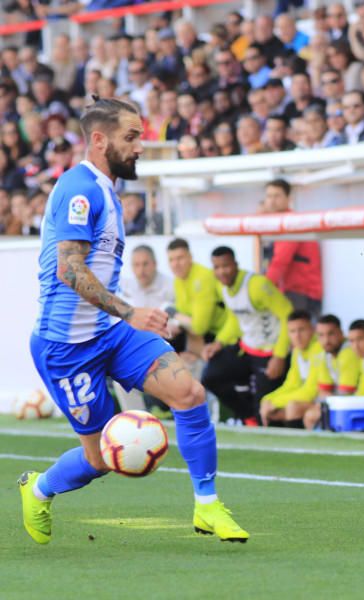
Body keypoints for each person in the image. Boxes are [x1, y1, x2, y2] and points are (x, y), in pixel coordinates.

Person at [21, 97, 247, 545]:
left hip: (110, 332)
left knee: (188, 391)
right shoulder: (77, 189)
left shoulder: (109, 190)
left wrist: (127, 319)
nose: (141, 145)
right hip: (65, 346)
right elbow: (69, 270)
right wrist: (132, 311)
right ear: (99, 140)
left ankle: (207, 506)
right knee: (102, 458)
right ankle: (39, 488)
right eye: (131, 136)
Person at [201, 246, 293, 425]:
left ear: (236, 264)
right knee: (210, 376)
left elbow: (287, 313)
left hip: (270, 353)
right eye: (217, 267)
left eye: (225, 266)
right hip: (247, 349)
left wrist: (280, 355)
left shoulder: (257, 285)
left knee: (265, 413)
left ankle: (256, 418)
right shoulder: (223, 287)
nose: (222, 272)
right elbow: (236, 319)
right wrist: (218, 343)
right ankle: (246, 416)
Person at [116, 245, 176, 412]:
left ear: (155, 264)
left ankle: (180, 414)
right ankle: (136, 420)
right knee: (120, 377)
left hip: (169, 347)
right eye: (136, 265)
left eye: (145, 264)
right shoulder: (125, 287)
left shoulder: (170, 287)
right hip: (139, 350)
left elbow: (178, 324)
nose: (141, 270)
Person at [260, 179, 324, 317]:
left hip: (300, 293)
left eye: (277, 196)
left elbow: (280, 261)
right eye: (269, 196)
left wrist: (262, 289)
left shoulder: (291, 223)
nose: (272, 201)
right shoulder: (279, 222)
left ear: (289, 199)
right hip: (295, 292)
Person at [295, 314, 363, 429]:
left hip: (354, 404)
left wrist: (323, 404)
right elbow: (323, 390)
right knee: (300, 409)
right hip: (338, 402)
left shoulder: (348, 352)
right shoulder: (325, 354)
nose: (326, 340)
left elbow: (346, 394)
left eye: (331, 334)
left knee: (311, 415)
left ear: (341, 333)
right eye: (321, 335)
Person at [259, 310, 323, 427]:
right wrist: (268, 400)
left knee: (292, 407)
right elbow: (291, 384)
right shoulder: (297, 352)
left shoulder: (318, 349)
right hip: (310, 400)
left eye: (302, 330)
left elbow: (311, 391)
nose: (297, 336)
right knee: (271, 410)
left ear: (312, 330)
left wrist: (276, 402)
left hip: (322, 400)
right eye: (292, 331)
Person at [166, 238, 230, 352]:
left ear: (190, 257)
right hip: (205, 335)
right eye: (171, 260)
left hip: (223, 335)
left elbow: (199, 328)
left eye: (180, 258)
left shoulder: (202, 278)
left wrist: (173, 313)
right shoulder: (178, 279)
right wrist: (176, 319)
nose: (176, 264)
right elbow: (184, 315)